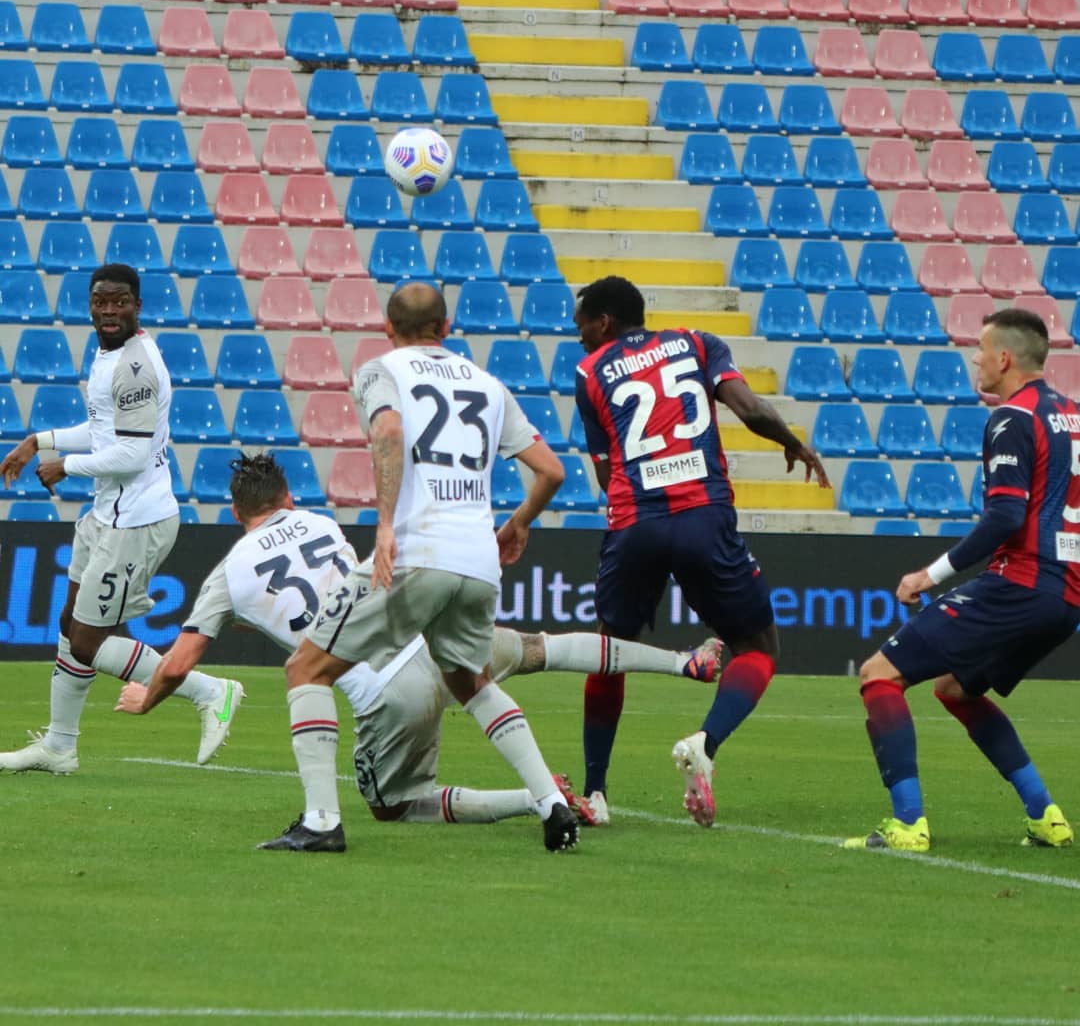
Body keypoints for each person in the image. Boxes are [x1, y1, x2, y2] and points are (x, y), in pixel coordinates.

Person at [115, 453, 722, 842]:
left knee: (393, 807)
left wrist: (149, 699)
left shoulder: (227, 573)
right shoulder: (324, 525)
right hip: (431, 638)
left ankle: (532, 798)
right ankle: (682, 661)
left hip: (386, 689)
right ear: (289, 500)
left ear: (235, 513)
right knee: (543, 648)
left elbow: (181, 660)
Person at [275, 282, 580, 853]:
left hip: (418, 553)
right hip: (478, 561)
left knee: (306, 669)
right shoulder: (488, 384)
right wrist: (519, 523)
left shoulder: (380, 369)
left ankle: (320, 823)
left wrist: (386, 525)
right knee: (470, 679)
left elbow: (388, 430)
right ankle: (552, 803)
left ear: (387, 329)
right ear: (446, 327)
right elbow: (553, 471)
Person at [572, 274, 831, 828]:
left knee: (608, 653)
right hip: (704, 516)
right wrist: (794, 444)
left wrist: (635, 505)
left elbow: (603, 469)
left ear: (605, 323)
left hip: (636, 521)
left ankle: (595, 793)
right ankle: (705, 744)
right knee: (758, 645)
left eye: (582, 327)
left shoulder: (589, 372)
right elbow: (750, 408)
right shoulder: (698, 344)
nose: (579, 338)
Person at [844, 308, 1080, 852]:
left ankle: (907, 824)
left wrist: (928, 574)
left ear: (1004, 358)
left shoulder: (1012, 419)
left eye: (981, 348)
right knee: (957, 690)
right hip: (1064, 596)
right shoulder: (1067, 415)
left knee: (879, 675)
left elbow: (1004, 517)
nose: (974, 357)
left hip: (1020, 582)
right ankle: (1045, 815)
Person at [0, 263, 239, 775]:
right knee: (69, 624)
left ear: (138, 306)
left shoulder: (135, 368)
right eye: (101, 302)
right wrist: (39, 441)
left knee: (90, 641)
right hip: (107, 514)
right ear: (90, 305)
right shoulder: (110, 354)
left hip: (137, 521)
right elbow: (102, 429)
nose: (110, 311)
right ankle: (59, 748)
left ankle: (210, 691)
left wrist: (64, 465)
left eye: (120, 302)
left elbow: (129, 455)